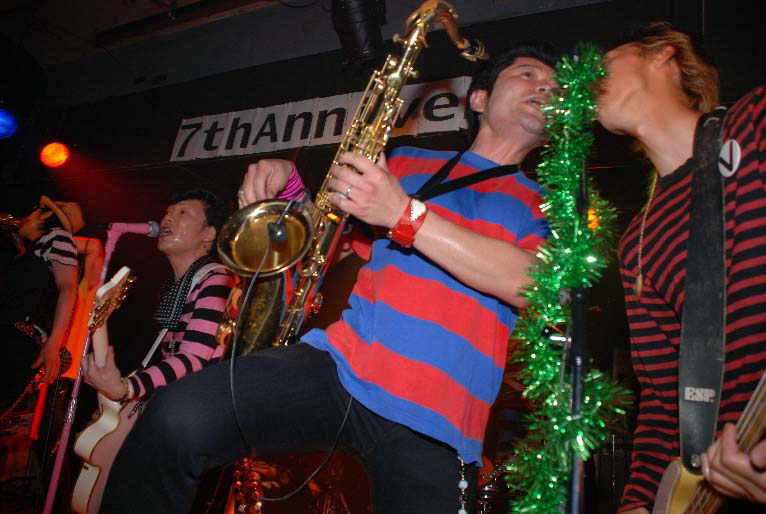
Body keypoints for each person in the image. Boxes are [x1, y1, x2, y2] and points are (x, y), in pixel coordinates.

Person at [100, 42, 556, 514]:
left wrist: (403, 214)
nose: (546, 86)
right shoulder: (405, 162)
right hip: (341, 368)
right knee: (176, 416)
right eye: (528, 74)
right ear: (479, 98)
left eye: (554, 85)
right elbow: (322, 243)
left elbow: (534, 284)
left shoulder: (549, 203)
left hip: (442, 421)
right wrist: (291, 187)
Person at [597, 22, 766, 512]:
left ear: (664, 55)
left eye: (604, 63)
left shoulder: (754, 124)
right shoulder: (638, 241)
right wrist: (636, 501)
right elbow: (664, 396)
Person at [82, 189, 234, 404]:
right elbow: (172, 362)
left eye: (182, 213)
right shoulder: (177, 288)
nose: (167, 218)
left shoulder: (218, 279)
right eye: (168, 212)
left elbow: (193, 358)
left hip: (205, 403)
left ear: (208, 234)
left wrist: (127, 388)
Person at [0, 196, 82, 403]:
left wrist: (54, 345)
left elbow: (68, 289)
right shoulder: (26, 251)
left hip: (17, 339)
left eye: (30, 214)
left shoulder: (57, 236)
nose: (21, 218)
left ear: (44, 216)